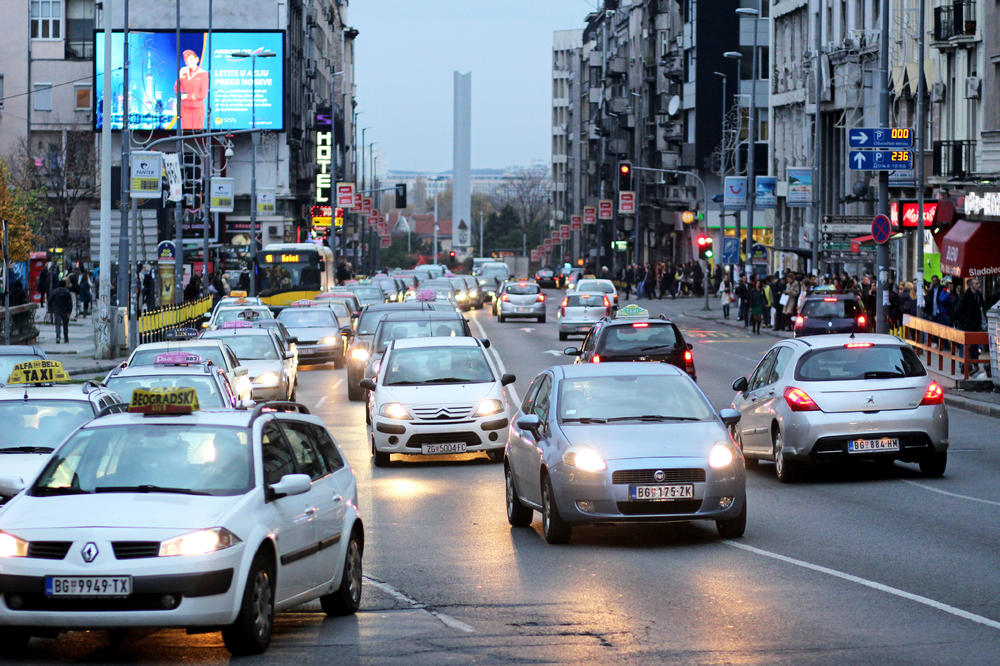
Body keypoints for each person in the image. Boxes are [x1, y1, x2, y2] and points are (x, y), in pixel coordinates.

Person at [175, 49, 208, 130]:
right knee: (186, 132)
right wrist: (179, 77)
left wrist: (187, 96)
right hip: (185, 108)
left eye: (190, 59)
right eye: (186, 60)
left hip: (197, 109)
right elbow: (177, 90)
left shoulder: (203, 73)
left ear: (197, 59)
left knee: (197, 132)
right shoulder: (183, 72)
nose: (188, 62)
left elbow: (203, 94)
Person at [48, 279, 73, 343]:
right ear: (65, 285)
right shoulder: (67, 292)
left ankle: (58, 337)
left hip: (57, 310)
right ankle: (66, 338)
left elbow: (50, 300)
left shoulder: (55, 292)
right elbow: (70, 303)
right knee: (65, 325)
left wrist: (50, 308)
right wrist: (69, 311)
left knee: (57, 325)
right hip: (65, 310)